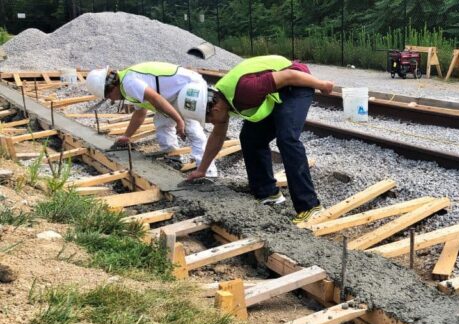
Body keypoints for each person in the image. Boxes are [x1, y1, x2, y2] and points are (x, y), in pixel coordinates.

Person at [179, 55, 334, 224]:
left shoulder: (246, 90)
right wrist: (202, 169)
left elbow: (289, 76)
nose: (212, 123)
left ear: (214, 108)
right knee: (250, 138)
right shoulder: (223, 99)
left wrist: (321, 85)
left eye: (209, 120)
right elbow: (217, 136)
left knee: (287, 138)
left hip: (297, 82)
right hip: (279, 88)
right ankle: (268, 193)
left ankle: (310, 207)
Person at [85, 62, 217, 177]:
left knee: (191, 128)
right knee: (162, 122)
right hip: (173, 94)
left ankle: (207, 172)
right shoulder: (126, 84)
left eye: (109, 96)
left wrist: (179, 120)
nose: (112, 100)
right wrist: (127, 136)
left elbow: (156, 99)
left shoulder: (129, 83)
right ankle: (173, 157)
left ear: (111, 87)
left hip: (187, 86)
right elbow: (140, 112)